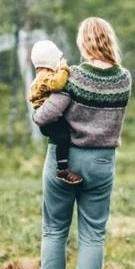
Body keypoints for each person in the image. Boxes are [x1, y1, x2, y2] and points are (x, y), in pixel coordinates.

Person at [32, 17, 131, 269]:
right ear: (108, 39)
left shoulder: (71, 76)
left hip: (65, 159)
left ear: (83, 42)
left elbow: (43, 117)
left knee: (54, 227)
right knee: (93, 232)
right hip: (101, 161)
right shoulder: (123, 78)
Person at [29, 39, 83, 185]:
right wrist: (64, 69)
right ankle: (62, 169)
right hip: (49, 120)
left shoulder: (41, 76)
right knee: (63, 137)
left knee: (64, 135)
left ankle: (63, 166)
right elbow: (58, 84)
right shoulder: (45, 77)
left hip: (49, 120)